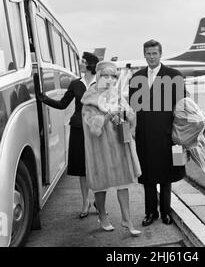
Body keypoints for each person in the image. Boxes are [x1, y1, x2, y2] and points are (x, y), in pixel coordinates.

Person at [129, 39, 186, 226]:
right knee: (148, 177)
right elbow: (133, 108)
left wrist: (180, 133)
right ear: (144, 55)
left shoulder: (173, 76)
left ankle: (166, 212)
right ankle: (150, 212)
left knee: (166, 176)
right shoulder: (136, 78)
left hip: (166, 135)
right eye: (148, 53)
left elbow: (182, 106)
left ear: (161, 54)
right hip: (144, 135)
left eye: (155, 53)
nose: (151, 57)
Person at [81, 61, 142, 237]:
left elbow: (131, 115)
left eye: (112, 76)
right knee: (101, 186)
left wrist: (124, 113)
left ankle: (127, 220)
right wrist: (108, 115)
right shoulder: (90, 99)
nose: (109, 79)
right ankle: (102, 216)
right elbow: (93, 128)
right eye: (105, 75)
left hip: (119, 145)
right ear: (99, 76)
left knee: (123, 184)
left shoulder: (116, 95)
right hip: (100, 150)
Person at [38, 52, 99, 218]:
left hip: (97, 130)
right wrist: (44, 99)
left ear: (90, 65)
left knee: (98, 167)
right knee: (81, 169)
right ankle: (85, 202)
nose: (79, 63)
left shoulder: (101, 82)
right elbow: (62, 104)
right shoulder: (75, 84)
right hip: (79, 129)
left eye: (82, 61)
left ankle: (98, 202)